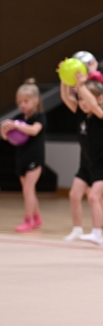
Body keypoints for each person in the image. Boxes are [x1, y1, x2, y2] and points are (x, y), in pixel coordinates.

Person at [59, 73, 103, 245]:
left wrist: (81, 86)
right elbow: (65, 96)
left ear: (99, 99)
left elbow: (90, 103)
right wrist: (64, 78)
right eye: (80, 99)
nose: (83, 103)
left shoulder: (102, 115)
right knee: (78, 195)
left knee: (93, 197)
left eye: (86, 99)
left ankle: (97, 233)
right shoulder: (81, 114)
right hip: (88, 165)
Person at [1, 79, 46, 232]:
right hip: (22, 158)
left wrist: (17, 125)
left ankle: (28, 220)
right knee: (29, 191)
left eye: (26, 101)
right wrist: (4, 130)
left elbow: (34, 131)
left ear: (36, 100)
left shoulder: (39, 117)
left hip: (35, 158)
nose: (22, 105)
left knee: (27, 190)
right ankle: (37, 217)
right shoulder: (19, 118)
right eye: (19, 102)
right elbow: (9, 139)